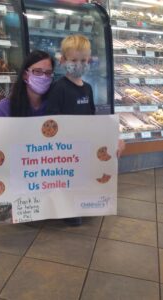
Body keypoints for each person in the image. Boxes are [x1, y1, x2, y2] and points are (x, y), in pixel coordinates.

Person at [45, 34, 125, 226]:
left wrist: (111, 136)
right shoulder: (58, 88)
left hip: (84, 145)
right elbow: (51, 122)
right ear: (63, 61)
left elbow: (92, 118)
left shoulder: (88, 88)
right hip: (65, 147)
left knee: (82, 177)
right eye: (73, 60)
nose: (79, 64)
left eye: (83, 60)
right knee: (66, 179)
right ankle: (67, 210)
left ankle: (81, 205)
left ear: (89, 60)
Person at [0, 49, 55, 154]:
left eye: (48, 73)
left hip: (48, 169)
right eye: (37, 71)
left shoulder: (56, 106)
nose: (43, 77)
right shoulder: (4, 108)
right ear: (25, 75)